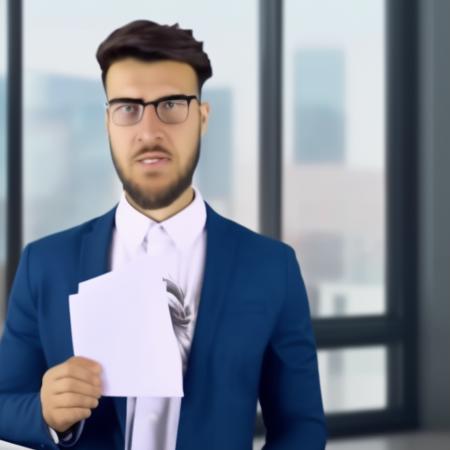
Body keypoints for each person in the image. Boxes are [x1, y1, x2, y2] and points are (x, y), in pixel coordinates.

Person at [0, 20, 326, 450]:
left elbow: (301, 426)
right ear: (108, 122)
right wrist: (44, 412)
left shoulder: (271, 267)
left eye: (171, 104)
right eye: (128, 108)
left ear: (203, 117)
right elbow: (6, 402)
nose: (150, 131)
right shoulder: (45, 264)